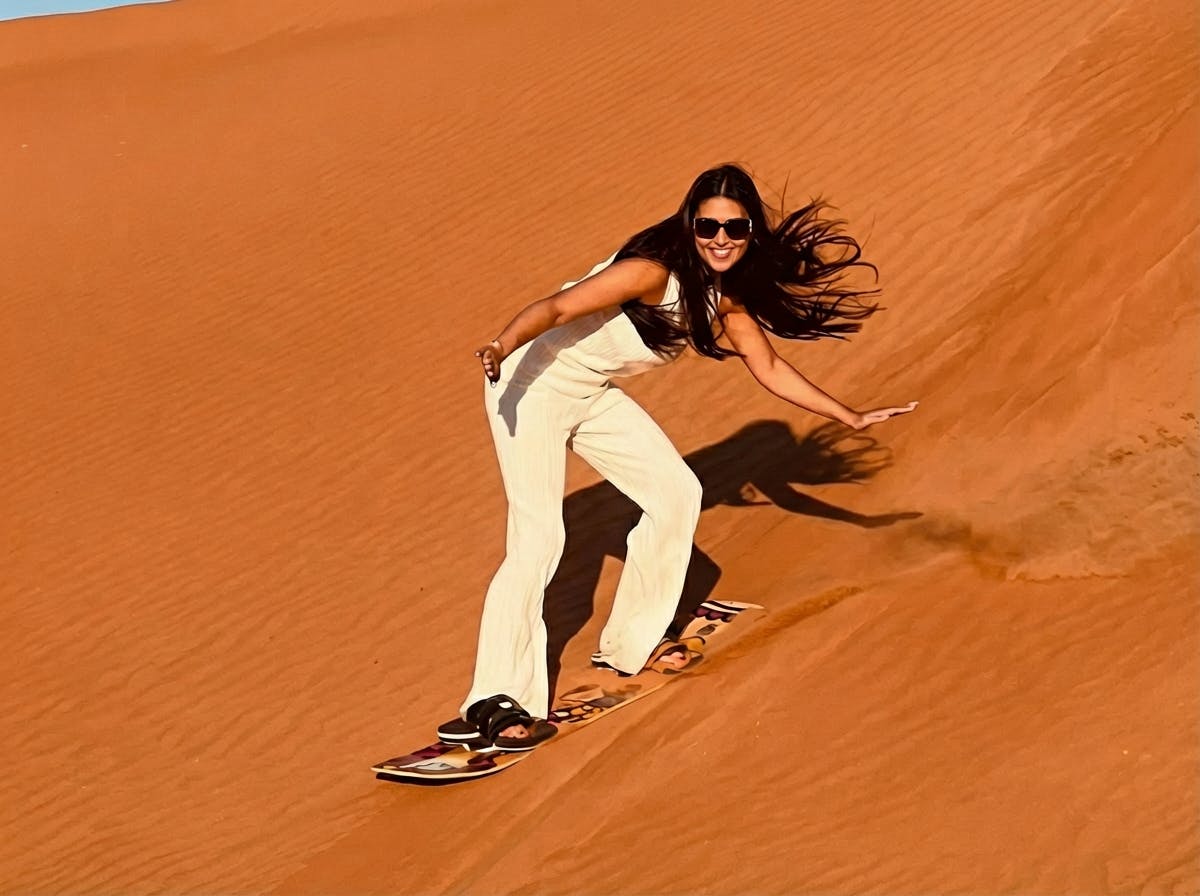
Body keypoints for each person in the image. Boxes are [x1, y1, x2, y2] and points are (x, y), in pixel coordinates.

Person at [436, 163, 917, 751]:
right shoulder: (649, 272)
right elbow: (557, 309)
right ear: (690, 224)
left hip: (588, 393)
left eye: (735, 228)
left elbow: (767, 368)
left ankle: (629, 644)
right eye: (708, 226)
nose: (720, 239)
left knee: (677, 493)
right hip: (527, 386)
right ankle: (494, 697)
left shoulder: (726, 299)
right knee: (538, 542)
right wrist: (501, 343)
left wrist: (850, 416)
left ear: (750, 232)